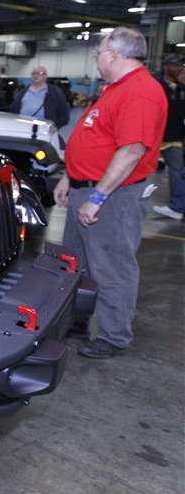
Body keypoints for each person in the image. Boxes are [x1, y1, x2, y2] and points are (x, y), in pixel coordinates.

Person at [53, 27, 168, 359]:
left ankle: (114, 336)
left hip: (111, 198)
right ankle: (78, 321)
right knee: (77, 265)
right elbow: (94, 139)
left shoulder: (140, 91)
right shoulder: (116, 89)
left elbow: (131, 151)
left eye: (99, 53)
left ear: (115, 55)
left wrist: (98, 197)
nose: (97, 58)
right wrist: (69, 178)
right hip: (86, 190)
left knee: (111, 267)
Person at [152, 53, 185, 220]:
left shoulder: (181, 88)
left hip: (175, 138)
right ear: (166, 66)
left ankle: (176, 206)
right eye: (175, 65)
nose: (179, 68)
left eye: (180, 65)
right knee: (136, 168)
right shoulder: (155, 84)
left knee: (177, 172)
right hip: (153, 137)